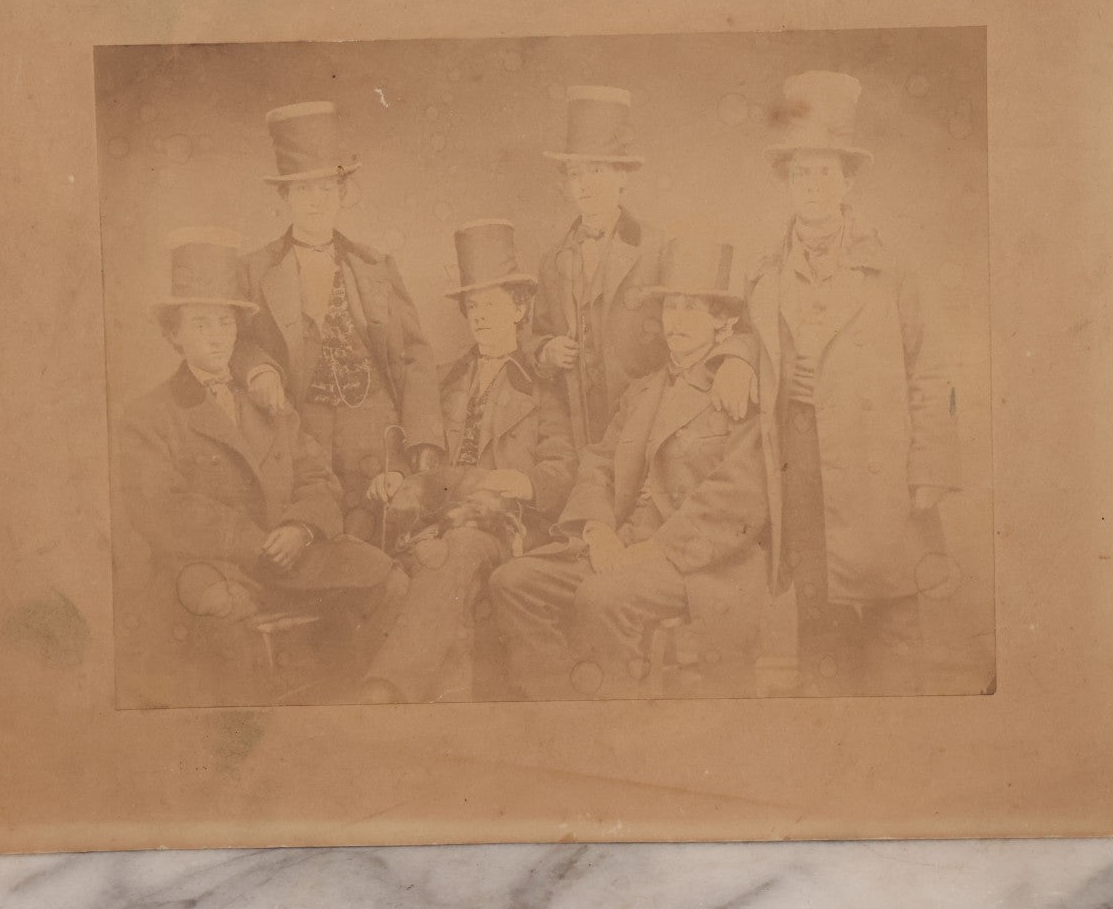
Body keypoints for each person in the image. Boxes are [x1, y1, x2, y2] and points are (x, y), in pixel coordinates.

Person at [118, 229, 405, 705]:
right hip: (210, 566)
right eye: (201, 323)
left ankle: (362, 713)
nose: (217, 337)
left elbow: (318, 478)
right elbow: (162, 510)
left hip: (291, 555)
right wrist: (258, 544)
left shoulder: (268, 404)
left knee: (385, 575)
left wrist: (301, 528)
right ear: (174, 334)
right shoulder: (148, 416)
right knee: (225, 611)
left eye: (226, 324)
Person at [747, 70, 961, 696]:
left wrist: (929, 470)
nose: (813, 187)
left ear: (847, 180)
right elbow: (744, 340)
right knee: (821, 633)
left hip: (882, 468)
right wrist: (738, 362)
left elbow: (934, 371)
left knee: (895, 625)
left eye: (825, 172)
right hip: (806, 470)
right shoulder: (766, 273)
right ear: (786, 182)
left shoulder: (893, 266)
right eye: (800, 173)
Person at [491, 237, 773, 700]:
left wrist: (648, 553)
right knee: (514, 582)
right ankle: (557, 711)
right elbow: (598, 464)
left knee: (602, 597)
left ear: (724, 322)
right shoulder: (643, 391)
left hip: (699, 566)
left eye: (691, 308)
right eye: (669, 308)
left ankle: (619, 728)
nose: (675, 320)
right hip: (619, 546)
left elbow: (736, 502)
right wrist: (599, 530)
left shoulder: (737, 391)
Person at [360, 220, 577, 703]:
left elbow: (562, 470)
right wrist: (394, 471)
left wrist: (523, 481)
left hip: (508, 527)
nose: (480, 317)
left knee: (456, 548)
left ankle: (389, 687)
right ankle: (448, 705)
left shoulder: (543, 388)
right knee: (419, 555)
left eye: (493, 304)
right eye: (473, 306)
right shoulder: (444, 380)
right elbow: (409, 449)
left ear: (520, 308)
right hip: (436, 517)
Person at [233, 102, 445, 543]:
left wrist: (423, 443)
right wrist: (259, 368)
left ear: (342, 193)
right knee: (314, 541)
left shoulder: (375, 265)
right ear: (284, 195)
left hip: (378, 436)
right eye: (304, 189)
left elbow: (415, 358)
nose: (316, 200)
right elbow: (232, 341)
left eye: (326, 188)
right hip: (300, 436)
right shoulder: (254, 270)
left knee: (385, 546)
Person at [532, 85, 752, 449]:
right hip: (575, 434)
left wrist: (736, 363)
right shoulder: (552, 262)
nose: (584, 185)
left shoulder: (656, 246)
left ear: (622, 177)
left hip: (645, 426)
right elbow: (536, 337)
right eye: (575, 173)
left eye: (597, 170)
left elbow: (731, 321)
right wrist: (546, 352)